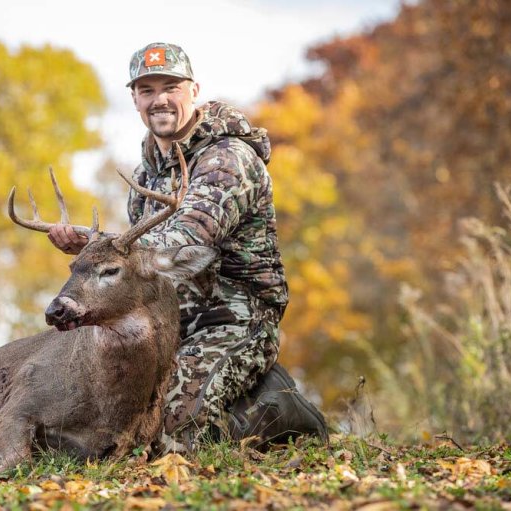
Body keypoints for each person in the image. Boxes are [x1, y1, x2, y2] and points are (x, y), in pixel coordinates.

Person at [48, 42, 327, 452]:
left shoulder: (229, 158)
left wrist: (105, 247)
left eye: (170, 87)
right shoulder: (147, 174)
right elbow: (142, 261)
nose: (159, 99)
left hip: (236, 320)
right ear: (135, 100)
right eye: (147, 90)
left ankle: (274, 412)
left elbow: (191, 236)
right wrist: (89, 243)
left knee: (174, 422)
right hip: (170, 322)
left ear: (194, 90)